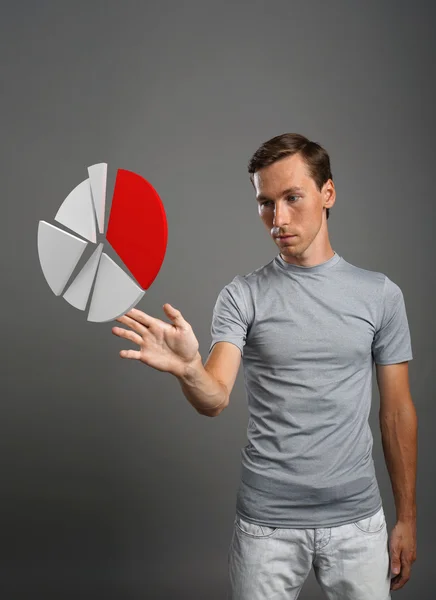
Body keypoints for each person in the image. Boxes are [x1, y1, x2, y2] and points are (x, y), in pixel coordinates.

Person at [112, 133, 417, 600]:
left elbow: (396, 413)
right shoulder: (242, 295)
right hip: (266, 527)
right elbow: (215, 398)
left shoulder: (380, 295)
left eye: (292, 198)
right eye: (265, 203)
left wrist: (407, 520)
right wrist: (189, 367)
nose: (278, 219)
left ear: (328, 193)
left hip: (358, 523)